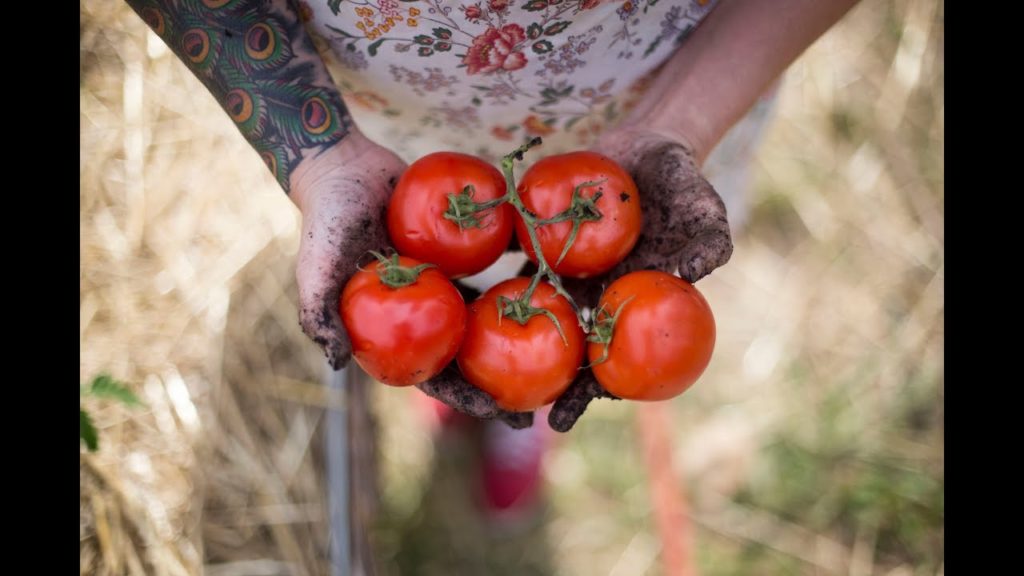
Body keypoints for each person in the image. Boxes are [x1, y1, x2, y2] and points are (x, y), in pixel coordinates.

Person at [126, 0, 858, 517]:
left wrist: (682, 125)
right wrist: (321, 160)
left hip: (686, 82)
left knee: (597, 289)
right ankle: (475, 368)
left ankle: (515, 405)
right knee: (432, 269)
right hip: (389, 120)